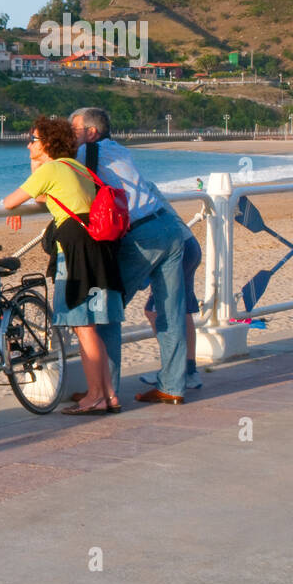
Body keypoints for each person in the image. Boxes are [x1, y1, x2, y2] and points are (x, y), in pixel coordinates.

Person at [4, 116, 123, 415]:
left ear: (47, 144)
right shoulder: (75, 166)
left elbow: (9, 201)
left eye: (33, 139)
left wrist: (32, 175)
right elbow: (47, 196)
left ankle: (95, 396)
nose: (28, 144)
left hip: (73, 253)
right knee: (91, 328)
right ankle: (108, 394)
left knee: (83, 327)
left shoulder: (52, 168)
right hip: (98, 248)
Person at [70, 107, 187, 404]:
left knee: (106, 309)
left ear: (91, 132)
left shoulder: (86, 153)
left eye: (74, 130)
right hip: (167, 225)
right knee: (169, 310)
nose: (71, 136)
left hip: (141, 235)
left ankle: (104, 391)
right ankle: (173, 386)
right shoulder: (120, 149)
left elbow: (57, 179)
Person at [142, 219, 204, 391]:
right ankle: (190, 371)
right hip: (189, 244)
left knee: (154, 311)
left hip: (173, 249)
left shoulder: (126, 194)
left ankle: (174, 371)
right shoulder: (150, 195)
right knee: (184, 310)